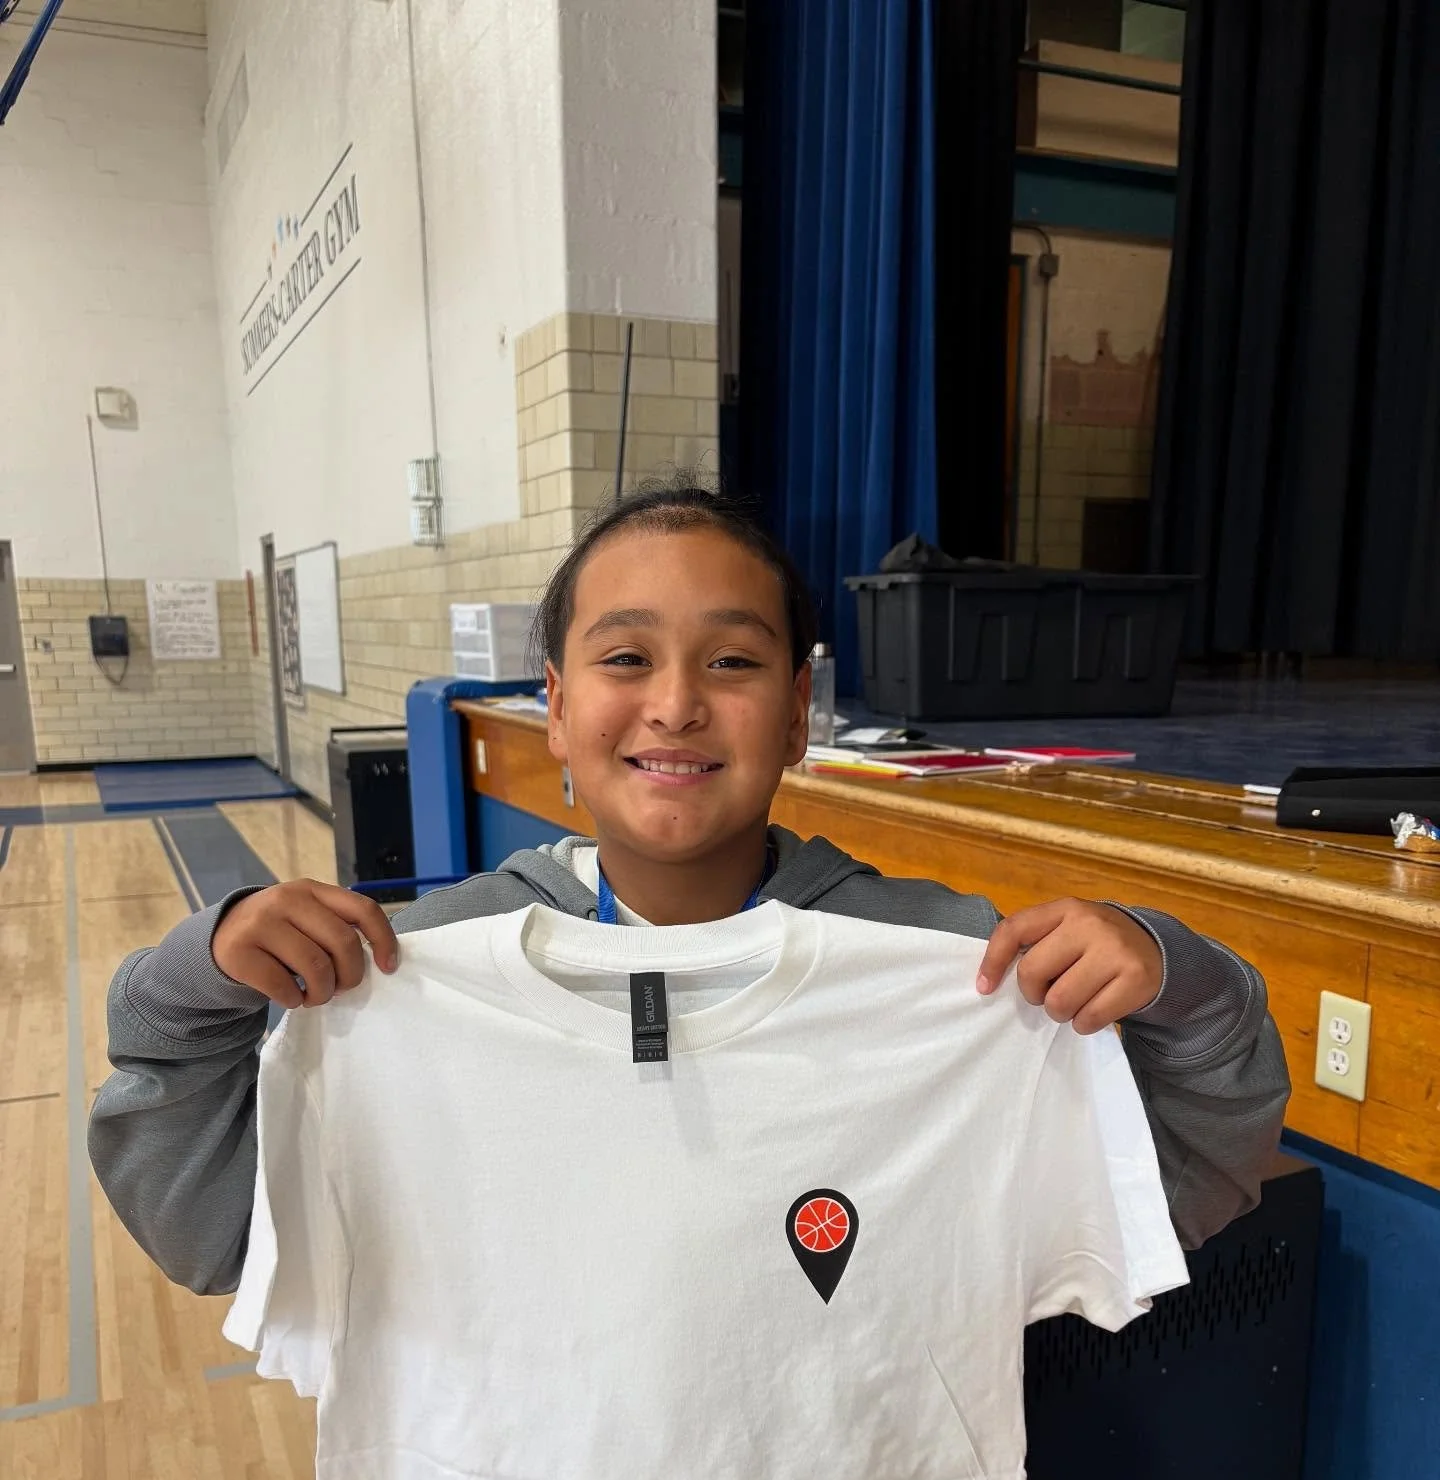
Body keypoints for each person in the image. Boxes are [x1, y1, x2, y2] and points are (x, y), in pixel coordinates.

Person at [89, 483, 1289, 1295]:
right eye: (624, 659)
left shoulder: (954, 969)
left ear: (803, 714)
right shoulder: (408, 973)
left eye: (732, 661)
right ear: (552, 709)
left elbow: (1187, 1177)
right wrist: (195, 976)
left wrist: (1176, 975)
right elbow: (213, 1236)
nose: (674, 704)